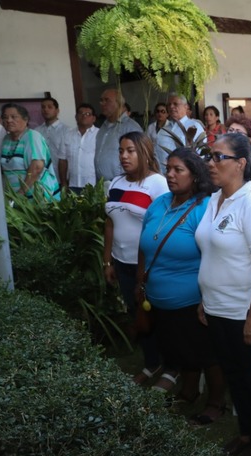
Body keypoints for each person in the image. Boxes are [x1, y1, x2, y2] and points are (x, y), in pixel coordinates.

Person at [196, 132, 251, 456]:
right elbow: (211, 253)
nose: (210, 163)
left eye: (219, 157)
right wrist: (205, 298)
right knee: (235, 377)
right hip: (217, 309)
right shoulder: (214, 199)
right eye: (209, 155)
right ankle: (247, 434)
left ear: (241, 163)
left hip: (242, 312)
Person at [138, 147, 227, 424]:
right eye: (168, 169)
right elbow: (143, 245)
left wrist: (207, 295)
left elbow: (215, 254)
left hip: (192, 300)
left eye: (178, 170)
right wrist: (140, 282)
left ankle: (216, 402)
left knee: (206, 354)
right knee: (177, 349)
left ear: (195, 175)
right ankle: (188, 392)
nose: (170, 175)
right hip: (158, 298)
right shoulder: (159, 203)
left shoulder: (205, 207)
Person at [104, 132, 168, 384]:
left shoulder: (158, 184)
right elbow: (110, 223)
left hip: (150, 266)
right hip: (122, 263)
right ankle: (151, 363)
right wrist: (107, 261)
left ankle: (172, 366)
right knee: (137, 314)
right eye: (121, 151)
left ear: (145, 152)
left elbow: (164, 226)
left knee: (158, 316)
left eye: (130, 150)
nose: (124, 156)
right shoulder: (115, 182)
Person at [0, 103, 61, 201]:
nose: (9, 120)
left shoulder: (32, 136)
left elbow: (36, 168)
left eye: (14, 117)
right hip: (14, 196)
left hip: (37, 197)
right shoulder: (6, 139)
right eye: (5, 117)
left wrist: (20, 193)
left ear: (25, 119)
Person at [95, 89, 144, 183]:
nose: (102, 103)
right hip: (102, 184)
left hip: (123, 183)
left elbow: (140, 158)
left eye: (107, 100)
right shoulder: (103, 127)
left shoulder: (131, 127)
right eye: (101, 100)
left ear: (119, 103)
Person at [155, 93, 205, 169]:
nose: (171, 107)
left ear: (186, 106)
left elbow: (201, 154)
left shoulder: (194, 126)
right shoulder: (163, 130)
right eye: (169, 104)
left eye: (175, 104)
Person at [59, 103, 99, 193]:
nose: (84, 116)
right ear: (76, 117)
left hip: (94, 185)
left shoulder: (99, 135)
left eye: (88, 114)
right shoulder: (67, 135)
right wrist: (63, 183)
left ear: (94, 118)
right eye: (81, 113)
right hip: (72, 185)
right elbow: (62, 160)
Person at [36, 97, 70, 185]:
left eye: (49, 107)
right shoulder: (37, 131)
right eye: (43, 107)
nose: (46, 109)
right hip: (41, 178)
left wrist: (64, 182)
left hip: (60, 178)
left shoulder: (66, 130)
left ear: (57, 110)